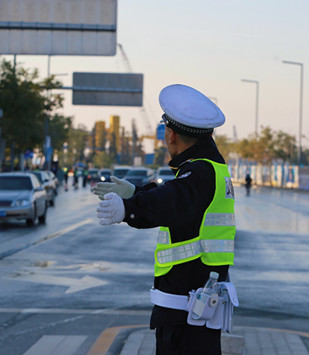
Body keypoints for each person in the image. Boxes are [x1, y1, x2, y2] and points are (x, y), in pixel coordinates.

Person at [93, 84, 236, 355]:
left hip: (186, 313)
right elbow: (177, 199)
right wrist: (135, 192)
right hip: (197, 305)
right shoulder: (211, 169)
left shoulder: (200, 172)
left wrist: (128, 208)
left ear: (171, 135)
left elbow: (173, 199)